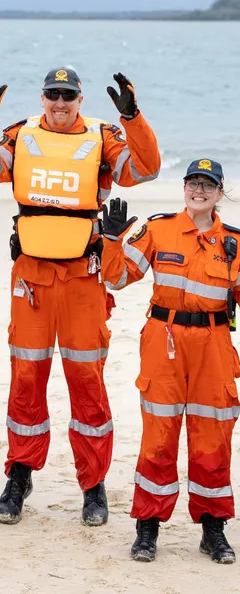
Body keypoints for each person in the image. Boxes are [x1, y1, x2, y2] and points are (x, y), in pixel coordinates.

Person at [0, 67, 161, 525]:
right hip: (31, 278)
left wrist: (133, 118)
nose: (60, 103)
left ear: (80, 99)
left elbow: (145, 169)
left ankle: (93, 486)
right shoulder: (21, 134)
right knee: (26, 380)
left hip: (83, 278)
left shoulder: (103, 135)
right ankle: (19, 474)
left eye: (68, 96)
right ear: (42, 98)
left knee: (87, 384)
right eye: (53, 95)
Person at [102, 160, 239, 564]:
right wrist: (111, 241)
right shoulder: (158, 229)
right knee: (158, 435)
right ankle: (148, 528)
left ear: (219, 192)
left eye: (207, 185)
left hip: (214, 344)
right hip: (163, 340)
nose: (199, 190)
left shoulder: (234, 242)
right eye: (193, 183)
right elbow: (116, 279)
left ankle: (213, 529)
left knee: (213, 435)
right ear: (184, 188)